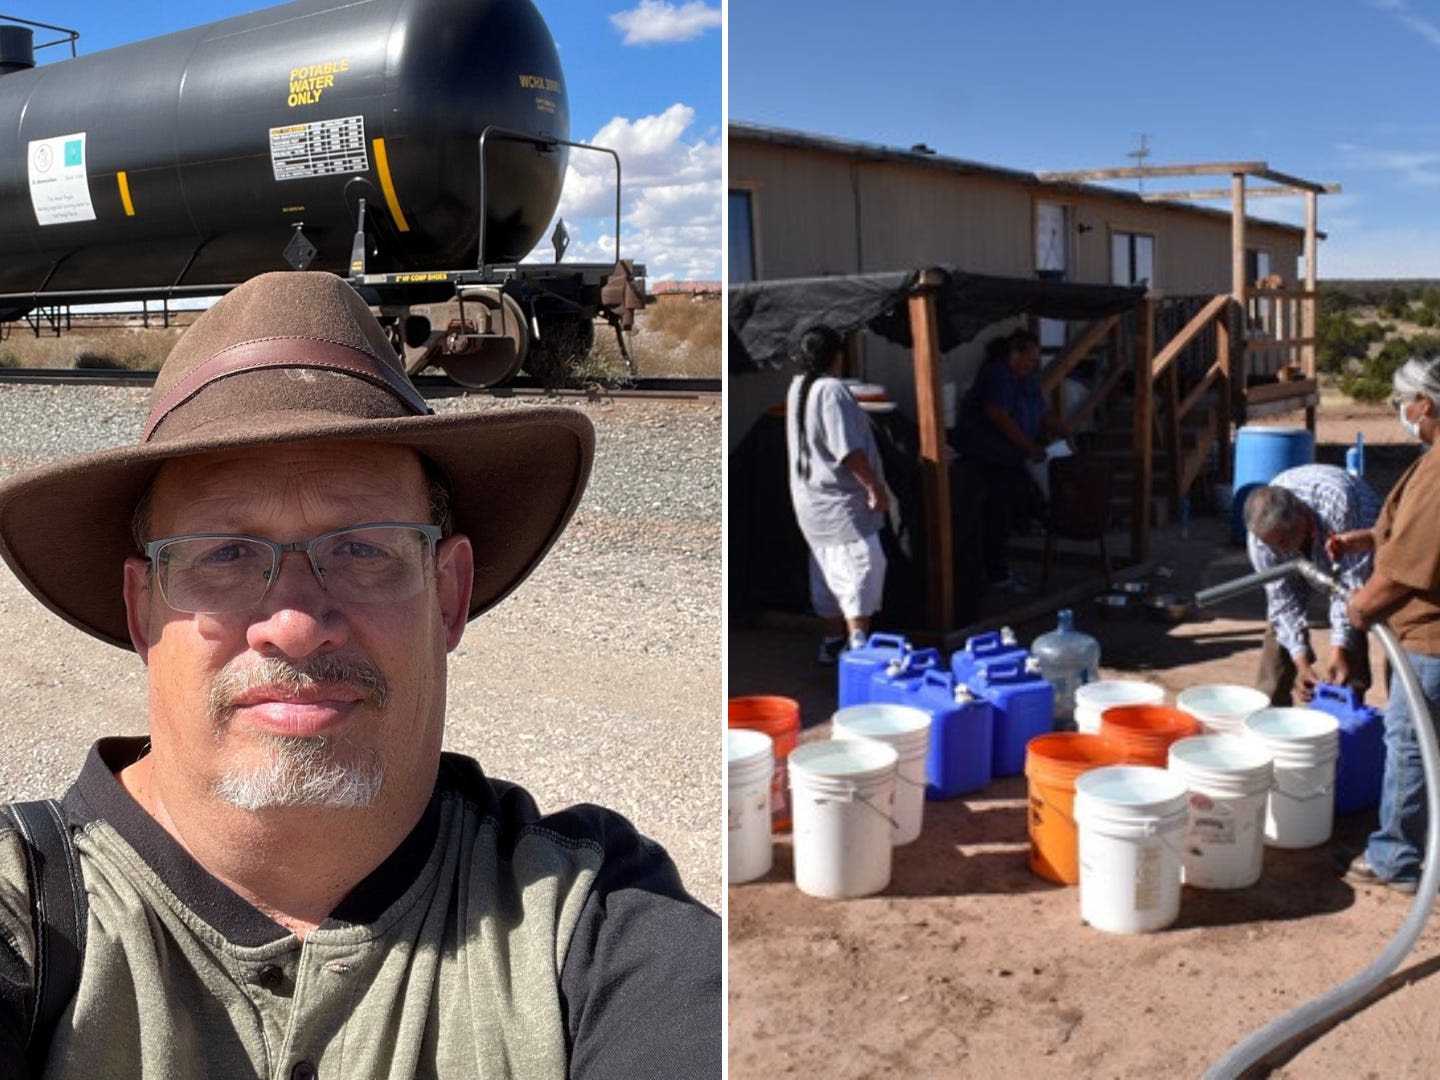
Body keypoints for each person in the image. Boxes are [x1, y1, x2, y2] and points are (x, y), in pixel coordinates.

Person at [0, 272, 720, 1076]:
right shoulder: (26, 916)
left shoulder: (592, 920)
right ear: (143, 612)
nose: (298, 627)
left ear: (449, 595)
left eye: (363, 549)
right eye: (225, 555)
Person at [1332, 355, 1440, 895]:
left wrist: (1360, 608)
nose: (1402, 413)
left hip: (1428, 638)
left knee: (1411, 744)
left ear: (1425, 404)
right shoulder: (1431, 459)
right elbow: (1408, 534)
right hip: (1425, 637)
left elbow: (1406, 569)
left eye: (1404, 404)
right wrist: (1367, 539)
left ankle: (1396, 857)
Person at [786, 324, 890, 663]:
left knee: (827, 570)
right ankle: (857, 645)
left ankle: (832, 642)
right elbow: (847, 450)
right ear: (837, 355)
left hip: (811, 501)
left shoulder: (798, 386)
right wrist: (874, 486)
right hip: (840, 503)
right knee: (861, 568)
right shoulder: (831, 391)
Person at [1242, 464, 1381, 705]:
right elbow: (1282, 603)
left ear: (1302, 515)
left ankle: (1347, 704)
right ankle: (1268, 713)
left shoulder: (1339, 504)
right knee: (1279, 633)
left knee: (1358, 611)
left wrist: (1339, 649)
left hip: (1355, 545)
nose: (1277, 550)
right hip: (1309, 545)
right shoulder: (1262, 539)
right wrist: (1301, 663)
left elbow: (1350, 582)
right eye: (1272, 544)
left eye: (1283, 541)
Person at [955, 328, 1069, 595]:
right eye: (1029, 359)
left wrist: (1063, 429)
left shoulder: (1026, 379)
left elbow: (1042, 412)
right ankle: (996, 575)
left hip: (1012, 460)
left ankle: (1000, 569)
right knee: (994, 517)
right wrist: (1030, 447)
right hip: (987, 458)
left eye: (1034, 361)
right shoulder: (996, 375)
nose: (1032, 365)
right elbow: (999, 416)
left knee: (1010, 514)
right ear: (1013, 355)